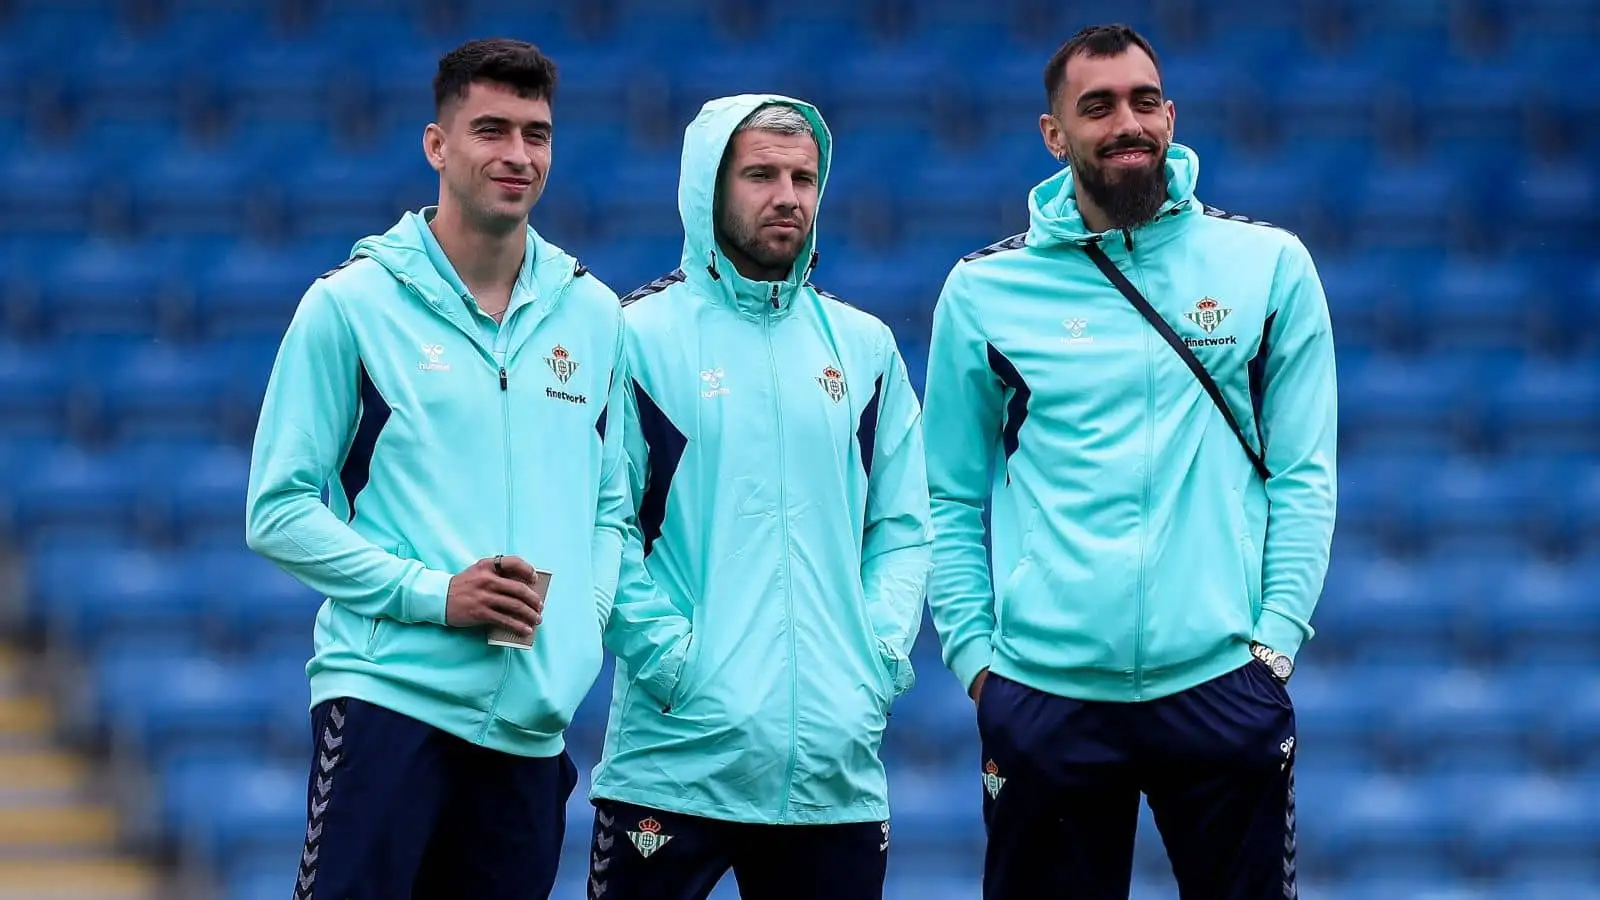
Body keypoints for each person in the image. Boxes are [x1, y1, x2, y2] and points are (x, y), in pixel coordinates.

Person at [922, 23, 1338, 900]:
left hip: (1222, 681)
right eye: (1098, 106)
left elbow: (1304, 473)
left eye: (1145, 101)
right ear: (1054, 133)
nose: (1127, 123)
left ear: (1172, 117)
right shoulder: (984, 290)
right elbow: (949, 495)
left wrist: (1277, 640)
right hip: (1045, 694)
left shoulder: (1268, 266)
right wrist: (976, 664)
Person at [244, 39, 632, 900]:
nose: (517, 155)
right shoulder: (348, 306)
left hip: (531, 727)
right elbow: (275, 510)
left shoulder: (597, 315)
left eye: (537, 134)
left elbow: (613, 503)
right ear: (436, 145)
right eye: (490, 129)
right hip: (390, 702)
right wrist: (435, 595)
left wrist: (581, 623)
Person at [584, 95, 934, 900]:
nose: (787, 196)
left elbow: (904, 528)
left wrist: (875, 661)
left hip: (832, 774)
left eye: (804, 177)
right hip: (673, 764)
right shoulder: (633, 336)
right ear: (707, 187)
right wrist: (675, 666)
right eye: (761, 175)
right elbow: (602, 525)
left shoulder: (865, 347)